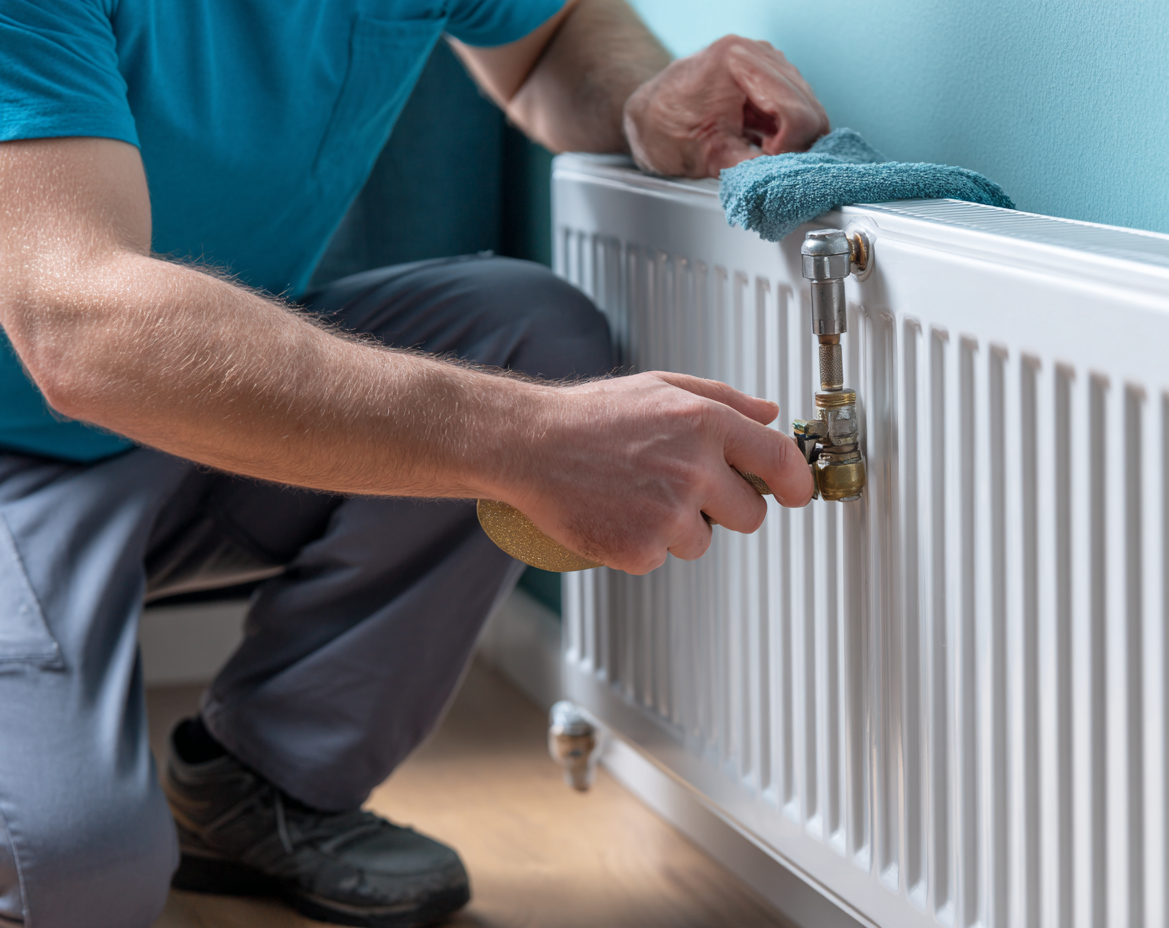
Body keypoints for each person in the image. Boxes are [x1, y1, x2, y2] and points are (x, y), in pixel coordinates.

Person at [0, 1, 829, 925]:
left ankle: (266, 789)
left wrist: (645, 93)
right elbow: (76, 325)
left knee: (531, 337)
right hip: (22, 447)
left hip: (188, 428)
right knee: (74, 876)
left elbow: (547, 44)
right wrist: (526, 441)